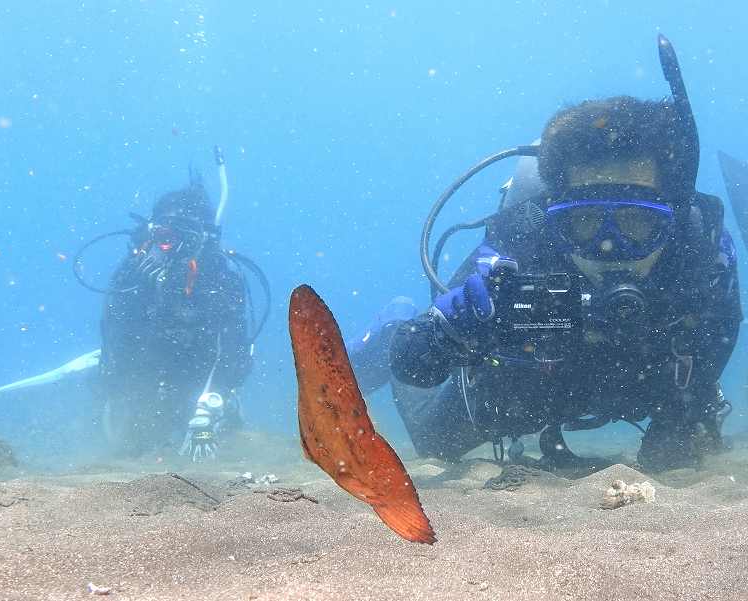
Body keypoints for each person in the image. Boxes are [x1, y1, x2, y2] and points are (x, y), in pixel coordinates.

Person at [350, 35, 742, 472]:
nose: (610, 246)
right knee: (434, 441)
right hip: (531, 389)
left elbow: (716, 345)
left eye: (636, 221)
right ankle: (388, 323)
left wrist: (681, 418)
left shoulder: (702, 253)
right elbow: (416, 364)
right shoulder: (519, 244)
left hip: (643, 385)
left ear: (669, 216)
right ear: (553, 218)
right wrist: (445, 331)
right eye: (586, 222)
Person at [95, 154, 269, 461]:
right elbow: (116, 341)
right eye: (162, 235)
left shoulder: (222, 280)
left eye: (179, 236)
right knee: (129, 443)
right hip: (145, 383)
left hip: (203, 388)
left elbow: (234, 353)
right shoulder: (131, 275)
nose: (168, 245)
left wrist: (209, 407)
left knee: (228, 450)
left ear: (201, 238)